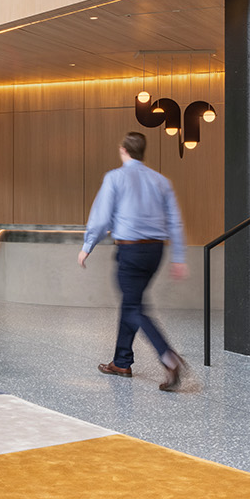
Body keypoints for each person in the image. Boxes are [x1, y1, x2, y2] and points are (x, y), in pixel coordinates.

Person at [78, 131, 190, 391]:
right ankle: (122, 361)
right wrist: (179, 257)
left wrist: (87, 246)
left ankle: (168, 357)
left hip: (130, 251)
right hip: (155, 252)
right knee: (132, 302)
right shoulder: (161, 181)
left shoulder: (115, 177)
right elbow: (175, 221)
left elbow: (101, 218)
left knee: (133, 307)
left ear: (123, 150)